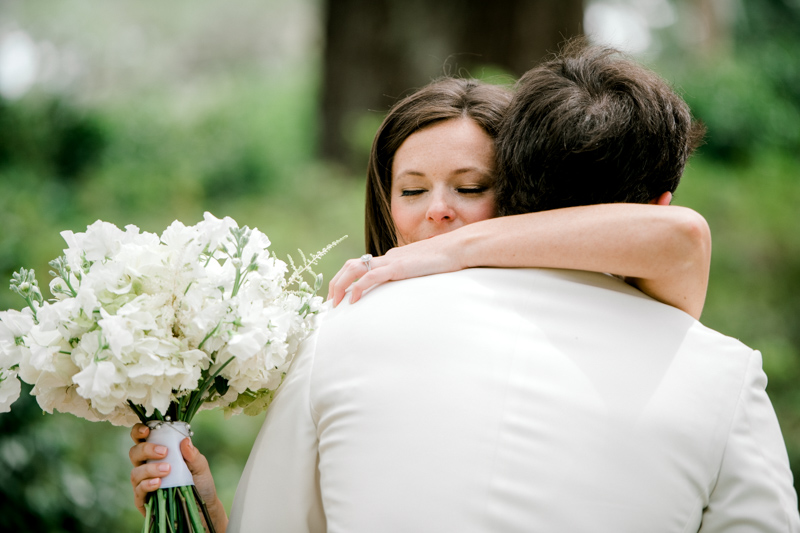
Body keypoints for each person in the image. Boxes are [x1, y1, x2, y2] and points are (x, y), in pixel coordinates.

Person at [129, 43, 791, 531]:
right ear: (661, 198)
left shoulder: (346, 324)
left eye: (471, 187)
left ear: (516, 186)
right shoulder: (723, 373)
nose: (439, 213)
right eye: (412, 189)